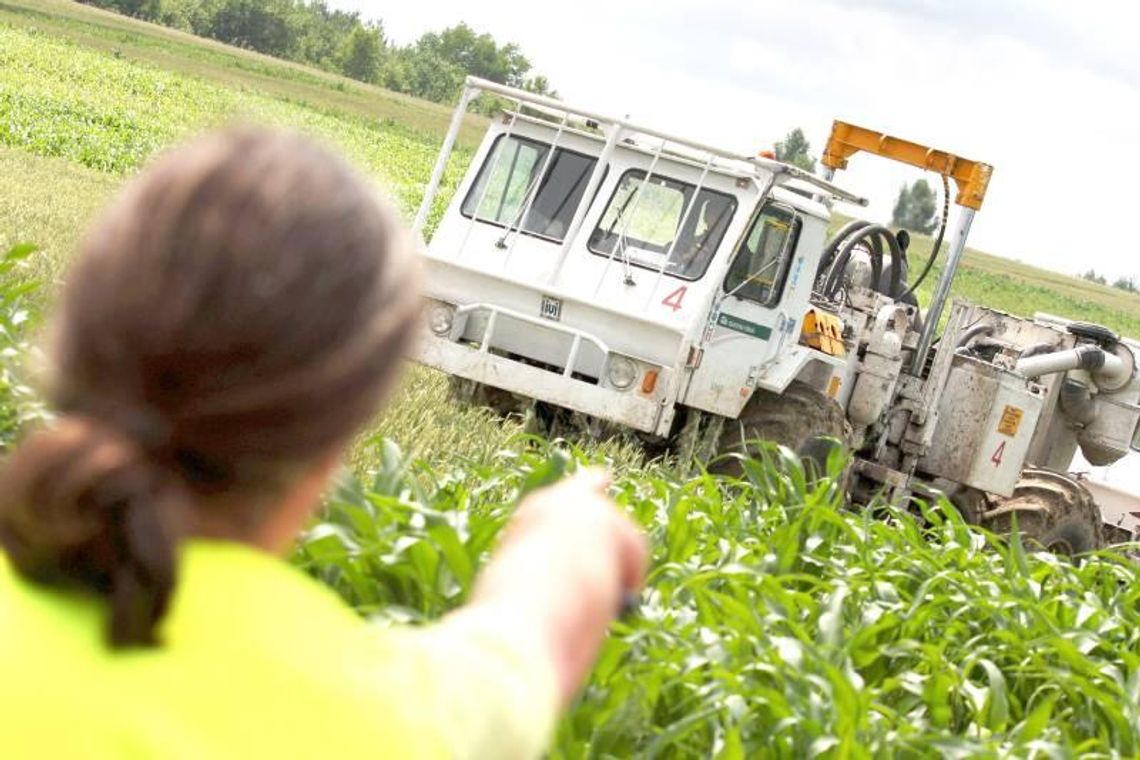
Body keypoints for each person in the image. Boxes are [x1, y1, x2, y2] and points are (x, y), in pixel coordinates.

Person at [0, 127, 648, 758]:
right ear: (342, 426)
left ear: (75, 338)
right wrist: (565, 533)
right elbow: (518, 655)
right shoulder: (389, 720)